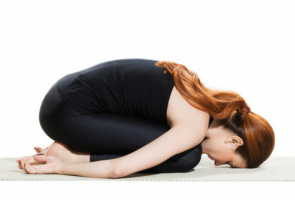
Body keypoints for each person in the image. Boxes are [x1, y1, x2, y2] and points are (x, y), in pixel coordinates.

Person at [17, 58, 275, 178]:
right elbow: (117, 169)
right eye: (230, 163)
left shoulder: (199, 100)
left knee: (178, 151)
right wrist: (61, 166)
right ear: (234, 142)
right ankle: (68, 153)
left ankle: (71, 148)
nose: (218, 165)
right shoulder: (195, 123)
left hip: (62, 101)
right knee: (186, 157)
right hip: (67, 113)